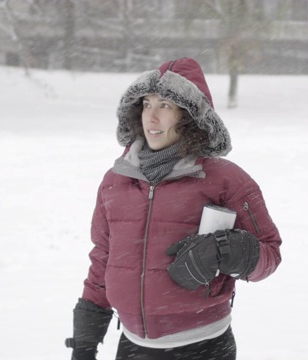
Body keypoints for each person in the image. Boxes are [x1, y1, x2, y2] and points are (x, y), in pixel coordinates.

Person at [66, 57, 282, 360]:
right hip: (132, 348)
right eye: (146, 104)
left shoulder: (226, 179)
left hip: (204, 346)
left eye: (165, 105)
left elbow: (269, 254)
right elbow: (103, 259)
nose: (151, 118)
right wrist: (84, 343)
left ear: (190, 115)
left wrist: (226, 249)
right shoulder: (116, 181)